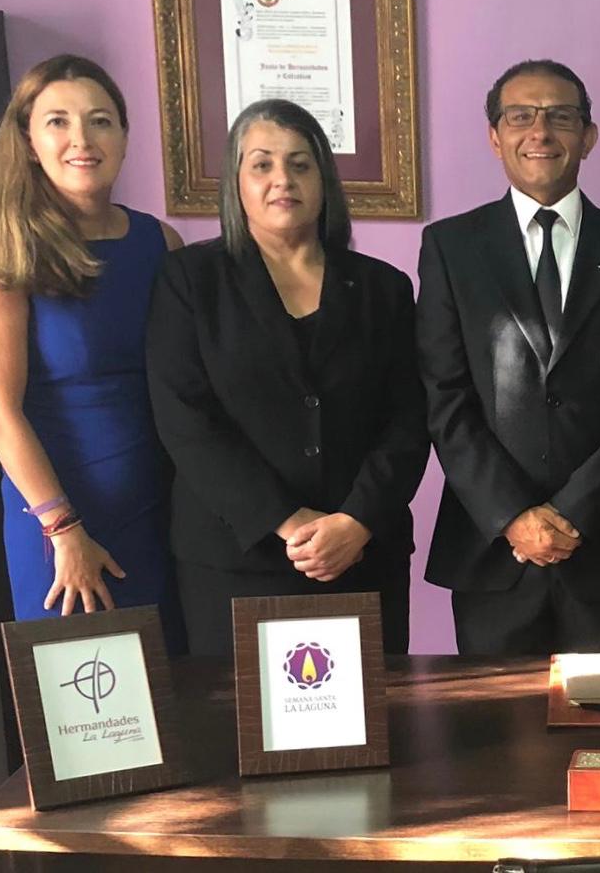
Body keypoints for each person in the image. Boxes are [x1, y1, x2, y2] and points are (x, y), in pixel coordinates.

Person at [417, 59, 600, 655]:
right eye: (521, 117)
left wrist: (574, 511)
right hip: (493, 551)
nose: (540, 131)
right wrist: (513, 516)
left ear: (588, 136)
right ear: (495, 136)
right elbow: (444, 395)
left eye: (560, 117)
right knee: (495, 715)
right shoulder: (451, 248)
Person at [146, 99, 425, 656]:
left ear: (324, 180)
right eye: (262, 164)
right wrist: (288, 521)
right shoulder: (190, 280)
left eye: (300, 164)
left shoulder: (384, 288)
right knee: (236, 714)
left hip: (360, 554)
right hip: (235, 558)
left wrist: (357, 521)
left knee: (371, 713)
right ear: (236, 181)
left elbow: (409, 420)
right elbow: (186, 420)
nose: (283, 179)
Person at [0, 55, 185, 648]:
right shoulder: (7, 247)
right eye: (58, 122)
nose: (82, 140)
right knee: (81, 696)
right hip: (58, 526)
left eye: (100, 121)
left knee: (171, 688)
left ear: (123, 135)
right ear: (29, 140)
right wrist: (63, 529)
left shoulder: (159, 241)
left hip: (160, 514)